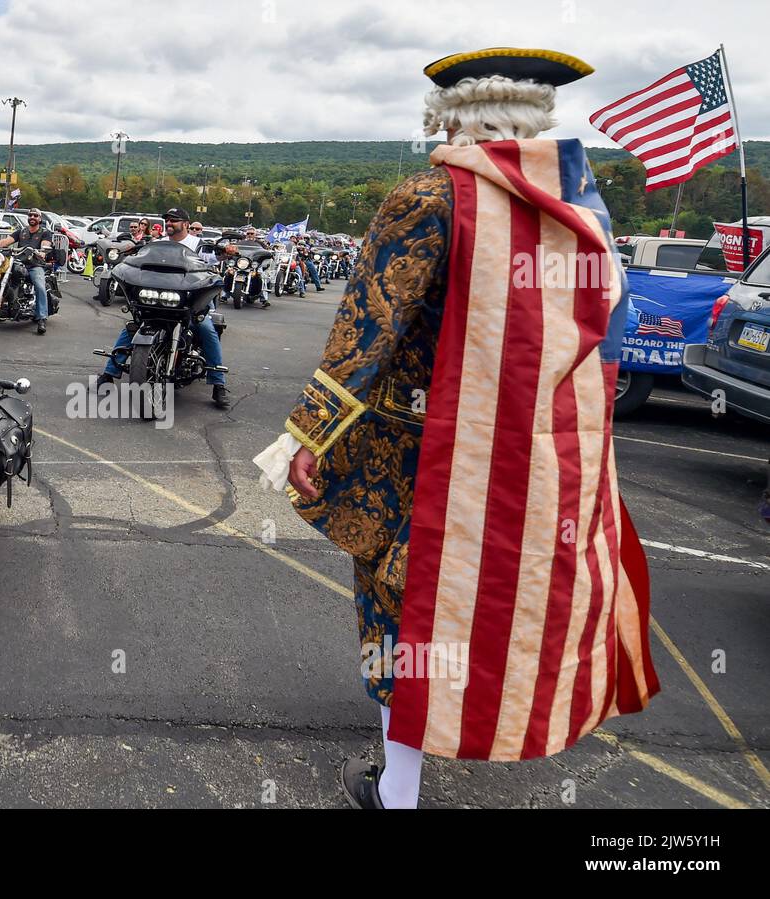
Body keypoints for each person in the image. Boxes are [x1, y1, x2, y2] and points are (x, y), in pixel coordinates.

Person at [254, 48, 658, 809]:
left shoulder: (430, 196)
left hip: (422, 461)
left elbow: (368, 324)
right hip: (526, 461)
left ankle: (397, 791)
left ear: (449, 117)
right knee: (479, 616)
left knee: (400, 612)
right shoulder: (583, 209)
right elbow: (605, 329)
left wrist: (307, 432)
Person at [97, 208, 231, 409]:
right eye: (167, 220)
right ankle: (108, 373)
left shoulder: (199, 245)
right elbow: (138, 255)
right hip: (157, 298)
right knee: (133, 327)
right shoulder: (156, 244)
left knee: (206, 330)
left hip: (186, 301)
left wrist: (226, 252)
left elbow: (216, 258)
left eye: (174, 220)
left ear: (186, 223)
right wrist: (126, 250)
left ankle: (218, 384)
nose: (169, 223)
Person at [0, 208, 53, 334]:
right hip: (19, 263)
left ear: (40, 219)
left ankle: (42, 318)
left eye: (35, 215)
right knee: (3, 278)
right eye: (30, 215)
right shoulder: (22, 231)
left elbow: (45, 245)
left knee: (40, 286)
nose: (32, 217)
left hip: (35, 265)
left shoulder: (45, 233)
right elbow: (6, 241)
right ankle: (1, 305)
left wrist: (42, 252)